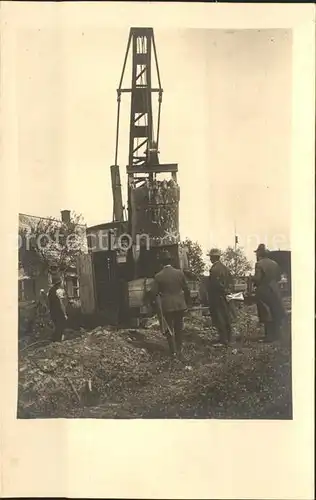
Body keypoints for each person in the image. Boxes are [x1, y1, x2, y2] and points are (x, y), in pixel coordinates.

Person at [150, 250, 190, 358]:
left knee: (169, 328)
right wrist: (187, 302)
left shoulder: (158, 276)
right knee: (179, 327)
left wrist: (153, 304)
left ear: (161, 263)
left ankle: (173, 352)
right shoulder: (179, 273)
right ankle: (179, 349)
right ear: (170, 261)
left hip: (167, 306)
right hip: (180, 305)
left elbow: (153, 293)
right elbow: (187, 290)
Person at [253, 243, 285, 342]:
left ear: (259, 254)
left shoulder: (259, 264)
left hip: (264, 291)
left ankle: (269, 337)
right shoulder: (274, 263)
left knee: (266, 313)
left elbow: (258, 279)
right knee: (275, 311)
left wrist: (252, 279)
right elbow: (279, 277)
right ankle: (277, 335)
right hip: (274, 290)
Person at [208, 248, 233, 346]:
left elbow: (215, 284)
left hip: (217, 297)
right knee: (226, 316)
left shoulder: (214, 269)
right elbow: (230, 281)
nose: (210, 259)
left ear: (213, 258)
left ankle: (223, 340)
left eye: (210, 257)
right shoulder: (225, 268)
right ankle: (229, 338)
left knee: (219, 318)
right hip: (226, 296)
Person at [47, 274, 68, 342]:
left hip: (52, 311)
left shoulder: (50, 290)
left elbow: (48, 302)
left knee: (57, 325)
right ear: (59, 283)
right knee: (61, 325)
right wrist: (64, 314)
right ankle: (57, 340)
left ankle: (55, 339)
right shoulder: (58, 291)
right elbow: (61, 303)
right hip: (58, 311)